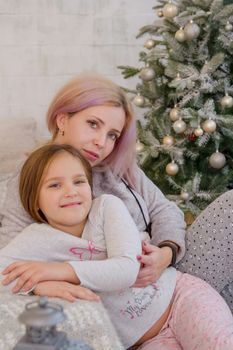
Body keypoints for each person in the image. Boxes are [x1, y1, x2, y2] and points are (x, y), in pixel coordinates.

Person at [1, 143, 233, 350]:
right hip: (141, 342)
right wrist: (39, 287)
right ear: (35, 199)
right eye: (54, 185)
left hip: (178, 298)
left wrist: (59, 271)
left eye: (79, 181)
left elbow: (126, 269)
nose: (70, 191)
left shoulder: (106, 209)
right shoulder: (34, 239)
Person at [0, 73, 186, 288]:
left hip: (168, 273)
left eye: (112, 135)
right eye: (93, 124)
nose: (101, 142)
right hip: (121, 294)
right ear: (62, 119)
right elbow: (9, 259)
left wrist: (166, 253)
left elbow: (164, 209)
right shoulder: (32, 174)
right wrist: (42, 286)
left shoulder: (118, 167)